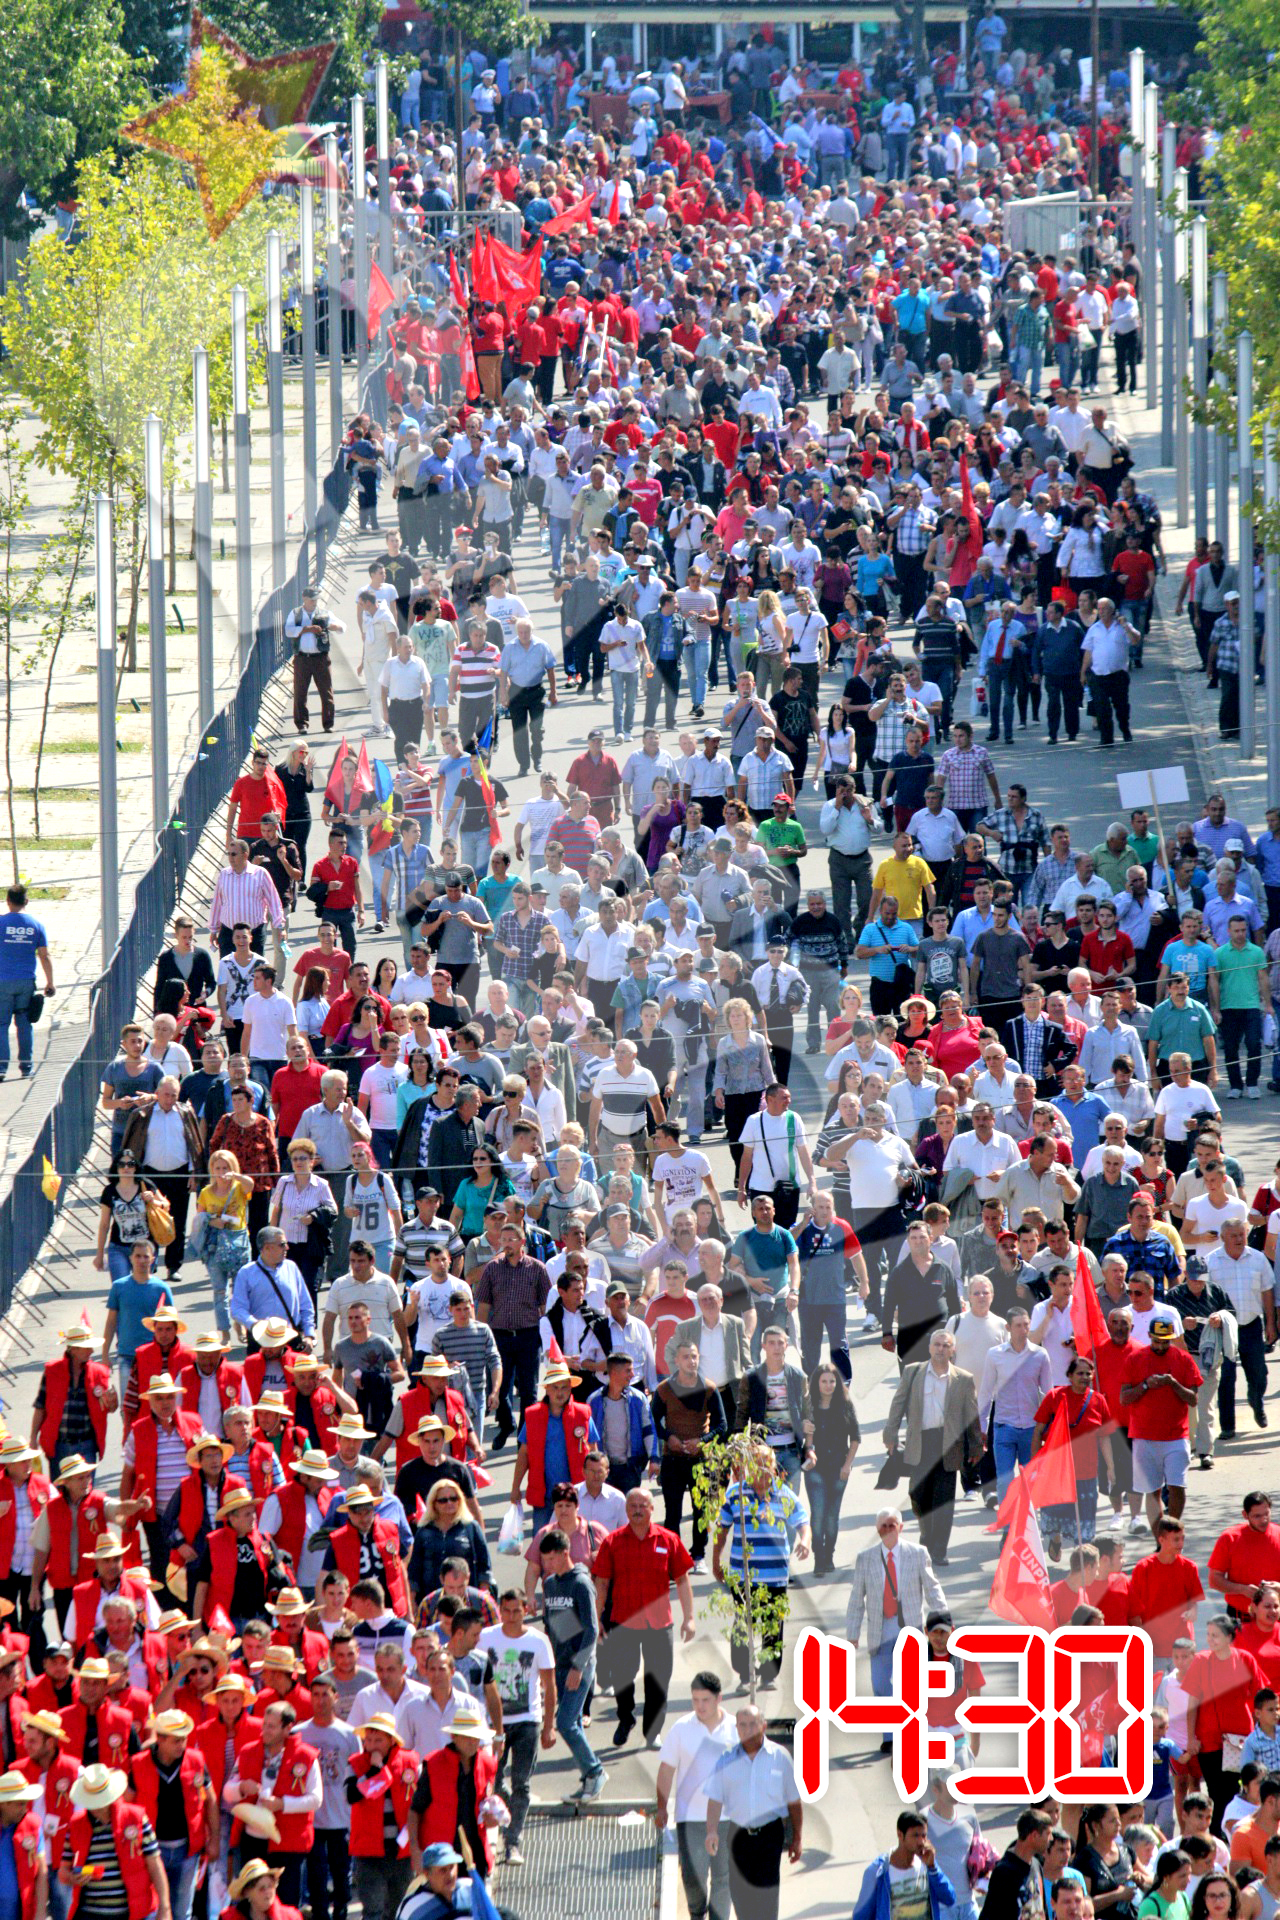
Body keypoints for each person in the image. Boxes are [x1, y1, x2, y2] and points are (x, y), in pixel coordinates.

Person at [703, 1704, 803, 1920]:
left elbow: (794, 1802)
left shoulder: (780, 1756)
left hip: (769, 1836)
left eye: (753, 1724)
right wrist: (711, 1830)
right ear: (736, 1729)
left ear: (763, 1726)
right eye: (743, 1725)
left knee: (766, 1900)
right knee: (741, 1897)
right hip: (738, 1836)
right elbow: (714, 1799)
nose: (748, 1730)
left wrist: (797, 1838)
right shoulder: (726, 1759)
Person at [656, 1672, 737, 1920]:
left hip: (727, 1817)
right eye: (695, 1700)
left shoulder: (736, 1728)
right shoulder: (681, 1729)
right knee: (693, 1877)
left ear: (718, 1698)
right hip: (689, 1817)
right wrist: (661, 1808)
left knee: (723, 1877)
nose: (700, 1706)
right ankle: (697, 1913)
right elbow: (666, 1770)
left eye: (705, 1700)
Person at [851, 1810, 956, 1920]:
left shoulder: (927, 1866)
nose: (921, 1842)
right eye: (915, 1835)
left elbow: (949, 1899)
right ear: (900, 1835)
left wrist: (933, 1868)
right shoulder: (878, 1872)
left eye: (924, 1835)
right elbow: (862, 1915)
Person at [0, 885, 53, 1080]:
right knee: (24, 1022)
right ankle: (26, 1066)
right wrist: (50, 982)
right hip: (26, 982)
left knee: (1, 1024)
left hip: (2, 982)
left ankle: (1, 1068)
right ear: (26, 901)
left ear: (8, 901)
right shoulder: (36, 925)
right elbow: (44, 956)